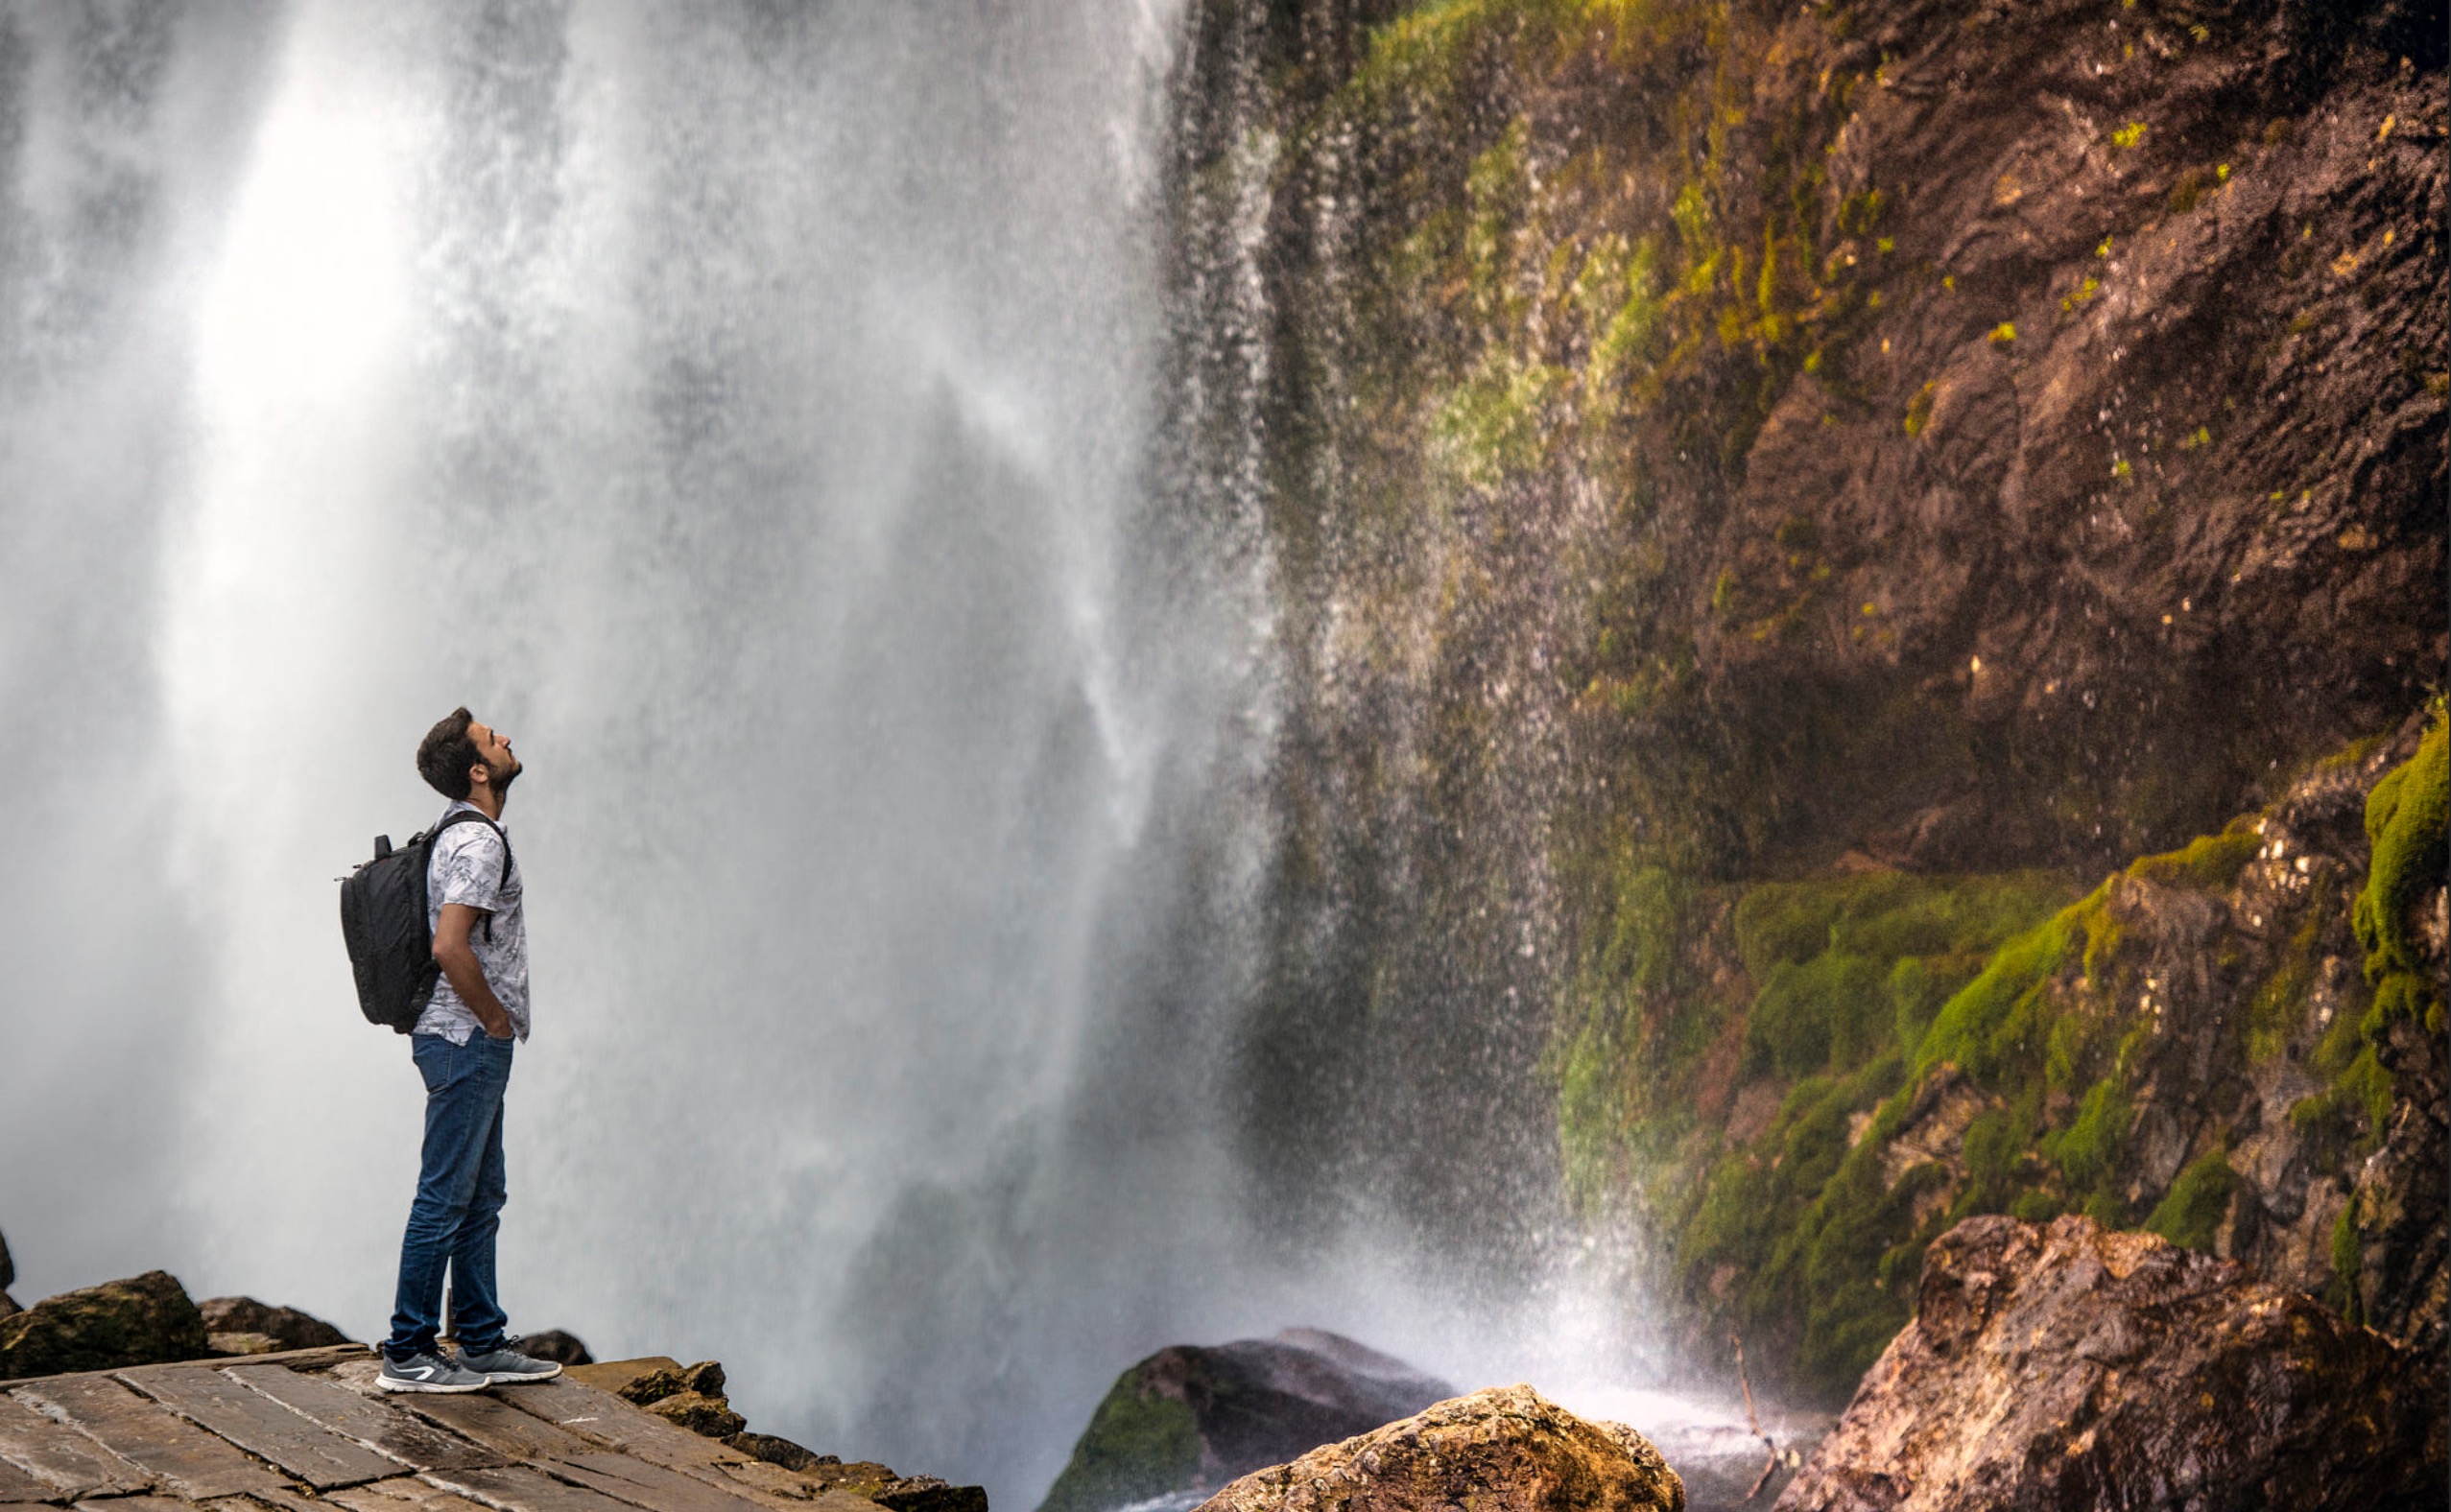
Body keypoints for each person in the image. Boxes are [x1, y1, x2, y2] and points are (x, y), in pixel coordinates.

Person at [376, 707, 561, 1392]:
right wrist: (495, 1021)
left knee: (481, 1194)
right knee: (446, 1197)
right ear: (479, 769)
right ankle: (408, 1351)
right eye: (492, 738)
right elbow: (449, 946)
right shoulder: (480, 843)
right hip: (465, 1040)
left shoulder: (460, 833)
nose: (508, 736)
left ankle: (480, 1341)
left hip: (456, 1038)